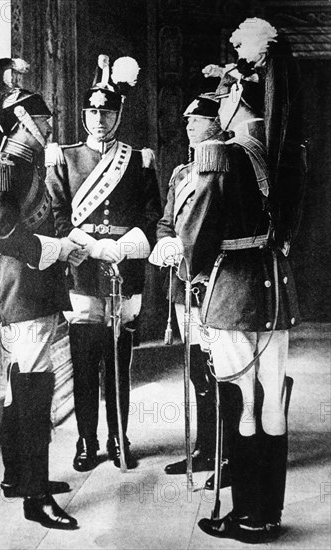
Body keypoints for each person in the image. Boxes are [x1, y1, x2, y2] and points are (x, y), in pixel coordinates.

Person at [177, 69, 301, 542]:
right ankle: (268, 511)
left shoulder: (219, 155)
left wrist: (186, 256)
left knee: (241, 402)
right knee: (273, 402)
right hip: (276, 287)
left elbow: (199, 231)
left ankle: (247, 515)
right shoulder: (284, 152)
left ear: (233, 99)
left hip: (234, 291)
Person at [0, 58, 81, 529]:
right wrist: (57, 248)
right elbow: (1, 232)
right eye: (43, 119)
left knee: (24, 390)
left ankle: (18, 476)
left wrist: (60, 251)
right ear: (22, 121)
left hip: (36, 289)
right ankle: (35, 498)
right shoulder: (4, 167)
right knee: (33, 393)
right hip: (24, 293)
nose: (50, 125)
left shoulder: (25, 164)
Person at [47, 54, 162, 471]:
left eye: (106, 112)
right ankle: (85, 440)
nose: (99, 119)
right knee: (84, 361)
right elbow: (58, 214)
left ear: (118, 115)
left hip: (125, 269)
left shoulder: (138, 159)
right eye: (92, 112)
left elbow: (153, 213)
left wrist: (131, 242)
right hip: (83, 270)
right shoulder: (64, 157)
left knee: (120, 361)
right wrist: (92, 248)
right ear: (83, 115)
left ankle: (118, 438)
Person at [149, 92, 231, 489]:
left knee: (225, 370)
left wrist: (193, 262)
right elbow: (167, 222)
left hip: (215, 281)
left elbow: (217, 228)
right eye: (187, 122)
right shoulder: (182, 173)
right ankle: (204, 447)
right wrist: (166, 243)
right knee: (198, 367)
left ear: (217, 124)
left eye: (197, 121)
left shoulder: (224, 168)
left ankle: (229, 450)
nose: (189, 127)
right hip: (183, 286)